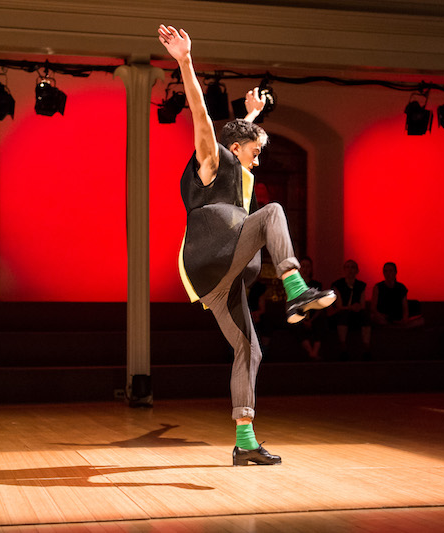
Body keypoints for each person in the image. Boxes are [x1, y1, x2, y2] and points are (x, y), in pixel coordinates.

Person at [158, 25, 336, 466]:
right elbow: (203, 118)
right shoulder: (211, 161)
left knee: (249, 349)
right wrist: (184, 61)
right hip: (213, 254)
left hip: (219, 277)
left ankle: (244, 440)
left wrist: (251, 116)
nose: (257, 159)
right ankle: (296, 293)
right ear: (233, 147)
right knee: (273, 211)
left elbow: (239, 141)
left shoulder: (235, 166)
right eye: (254, 151)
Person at [328, 259, 371, 359]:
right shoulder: (337, 285)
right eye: (347, 267)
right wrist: (350, 307)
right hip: (341, 313)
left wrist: (358, 307)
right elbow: (339, 306)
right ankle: (343, 348)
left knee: (365, 316)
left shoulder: (361, 285)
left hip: (355, 313)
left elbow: (362, 304)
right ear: (344, 270)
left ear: (357, 270)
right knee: (343, 315)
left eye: (353, 267)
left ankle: (366, 349)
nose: (350, 270)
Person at [371, 262, 424, 328]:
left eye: (390, 271)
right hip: (383, 316)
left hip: (398, 316)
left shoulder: (401, 287)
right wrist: (379, 315)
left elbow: (405, 307)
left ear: (395, 272)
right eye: (385, 271)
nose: (388, 274)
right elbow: (373, 307)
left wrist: (405, 318)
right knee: (374, 318)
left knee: (420, 321)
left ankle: (396, 326)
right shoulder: (378, 287)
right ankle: (396, 327)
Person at [296, 257, 327, 360]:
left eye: (307, 267)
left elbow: (320, 305)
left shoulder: (317, 285)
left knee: (321, 321)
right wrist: (304, 320)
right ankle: (310, 351)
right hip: (299, 316)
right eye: (303, 266)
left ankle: (315, 351)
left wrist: (311, 320)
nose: (305, 269)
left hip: (314, 316)